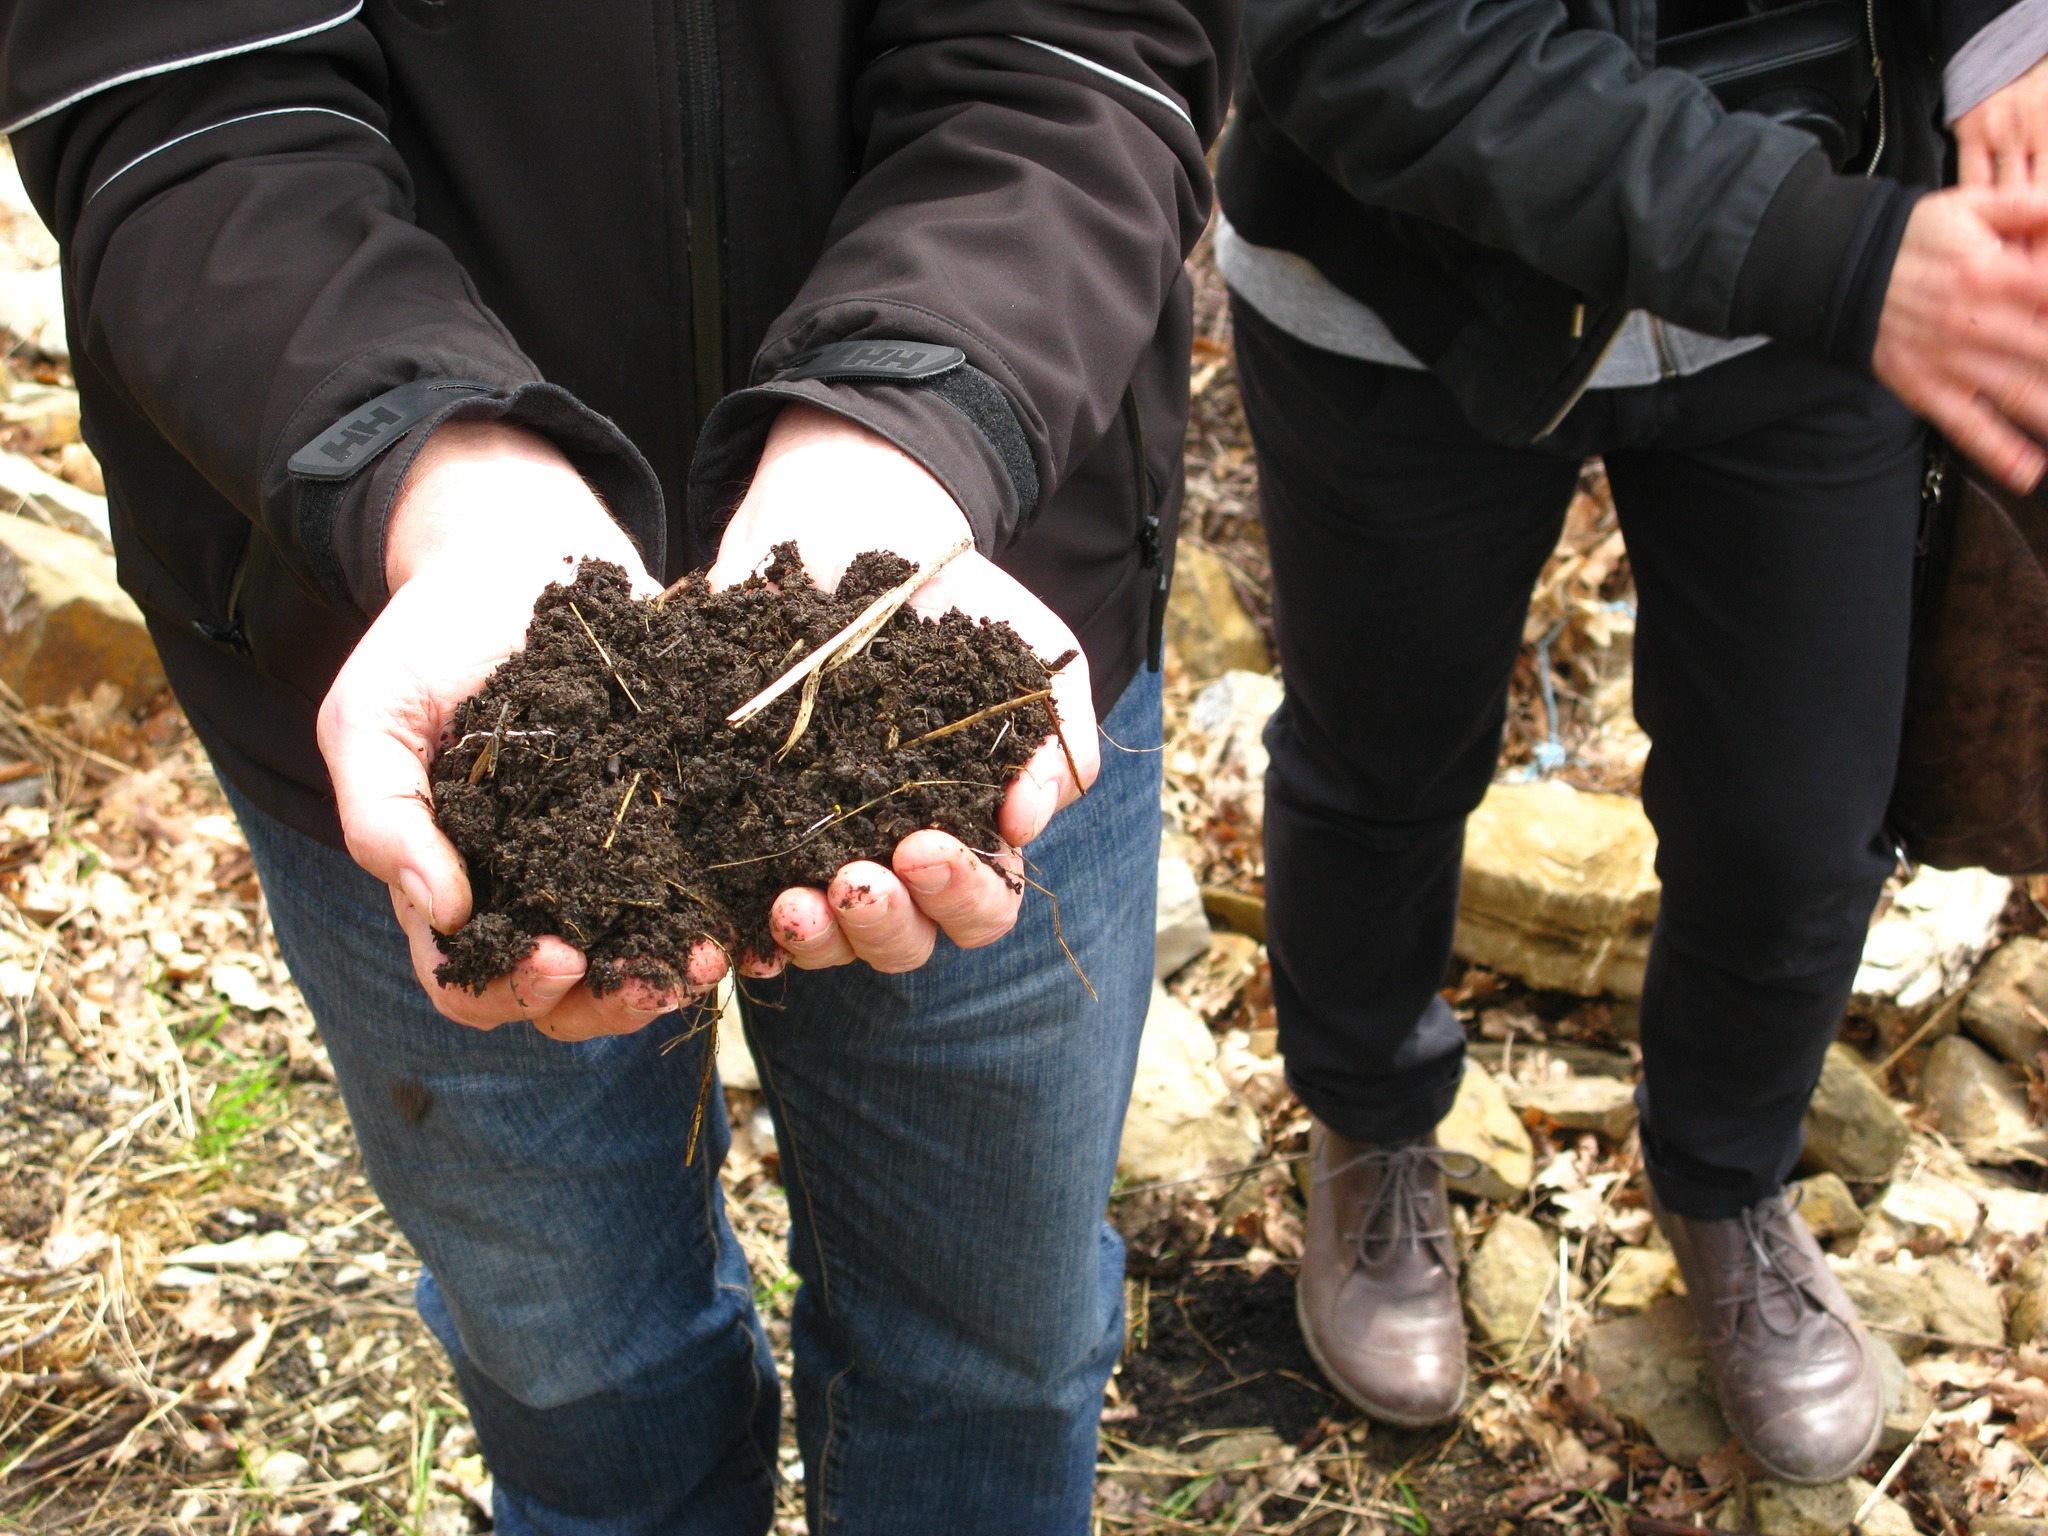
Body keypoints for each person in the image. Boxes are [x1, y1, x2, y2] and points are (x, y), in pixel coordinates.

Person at [5, 4, 1230, 1530]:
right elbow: (181, 93)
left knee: (998, 1355)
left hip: (978, 542)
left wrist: (912, 419)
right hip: (408, 644)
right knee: (585, 1378)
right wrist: (424, 467)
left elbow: (1074, 52)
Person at [1217, 0, 2048, 1484]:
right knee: (1381, 766)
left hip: (1820, 285)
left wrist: (2000, 30)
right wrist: (1840, 255)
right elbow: (1351, 32)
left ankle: (1728, 1183)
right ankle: (1368, 1126)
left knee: (1799, 825)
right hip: (1407, 280)